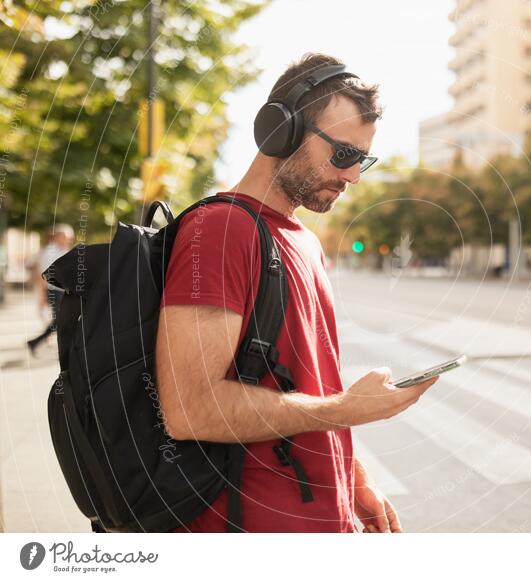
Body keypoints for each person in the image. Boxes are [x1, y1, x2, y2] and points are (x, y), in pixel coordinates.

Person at [155, 53, 438, 533]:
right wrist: (348, 410)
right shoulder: (219, 230)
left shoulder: (303, 241)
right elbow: (189, 408)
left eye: (362, 160)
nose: (353, 177)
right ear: (279, 131)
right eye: (344, 155)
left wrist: (350, 479)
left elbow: (302, 386)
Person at [27, 224, 74, 354]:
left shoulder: (63, 250)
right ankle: (37, 342)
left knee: (62, 320)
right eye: (66, 236)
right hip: (53, 290)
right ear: (58, 236)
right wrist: (42, 295)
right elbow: (42, 275)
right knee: (61, 320)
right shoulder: (49, 252)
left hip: (63, 290)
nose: (69, 239)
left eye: (70, 237)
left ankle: (35, 342)